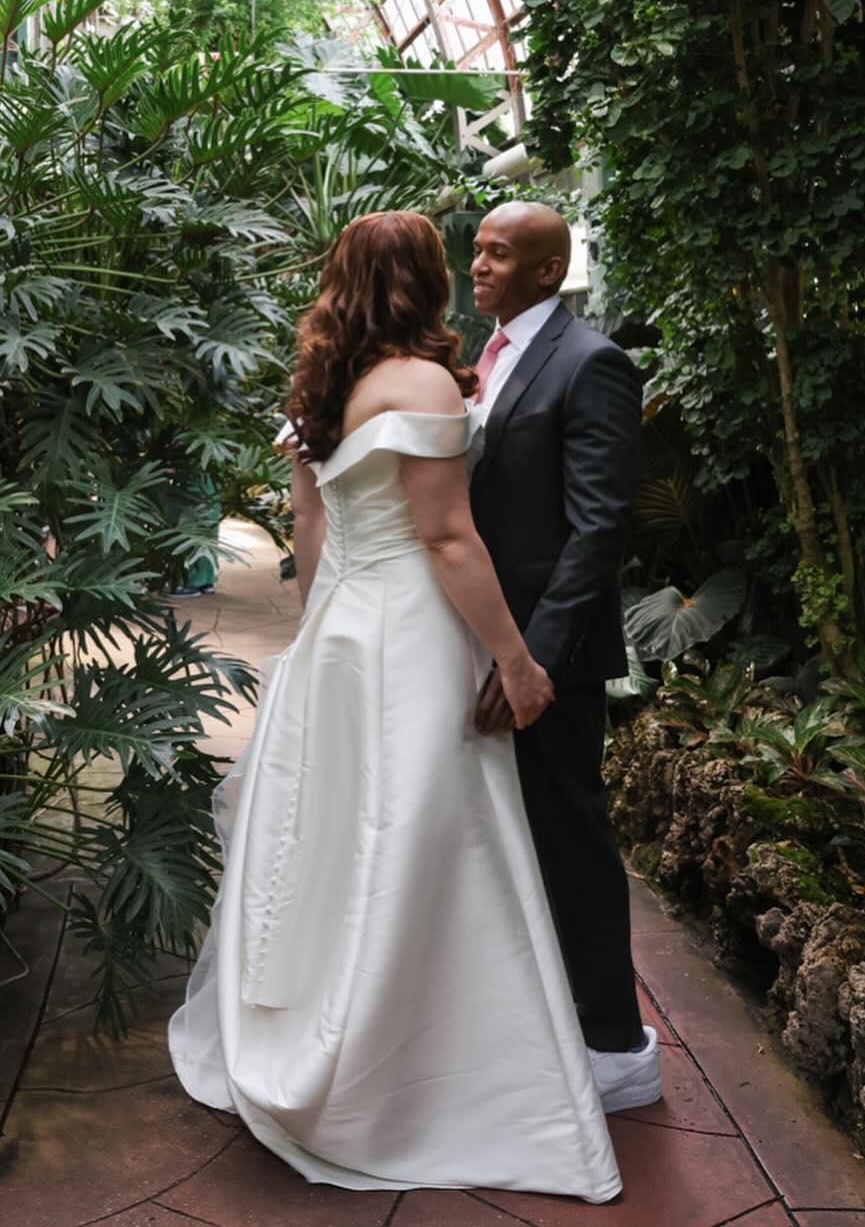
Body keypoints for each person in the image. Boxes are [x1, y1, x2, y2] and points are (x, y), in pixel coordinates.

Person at [169, 210, 622, 1201]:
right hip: (410, 629)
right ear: (425, 279)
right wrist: (516, 661)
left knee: (341, 834)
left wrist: (321, 631)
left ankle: (329, 1024)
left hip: (341, 630)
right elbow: (448, 538)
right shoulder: (421, 382)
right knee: (425, 834)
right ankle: (408, 1062)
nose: (471, 267)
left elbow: (310, 528)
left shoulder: (326, 384)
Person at [468, 202, 660, 1111]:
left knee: (572, 843)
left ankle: (618, 1048)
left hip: (552, 658)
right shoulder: (488, 356)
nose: (479, 265)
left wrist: (533, 662)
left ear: (550, 270)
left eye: (500, 254)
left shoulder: (592, 363)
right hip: (486, 643)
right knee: (509, 845)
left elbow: (597, 529)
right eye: (477, 251)